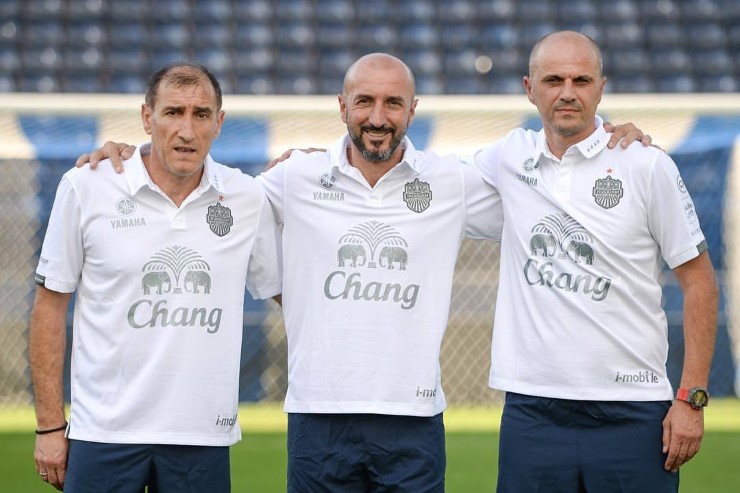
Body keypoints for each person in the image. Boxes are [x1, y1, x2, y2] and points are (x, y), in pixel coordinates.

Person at [76, 53, 647, 491]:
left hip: (413, 418)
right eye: (365, 102)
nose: (378, 117)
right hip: (318, 416)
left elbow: (548, 187)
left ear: (413, 111)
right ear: (342, 106)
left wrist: (610, 143)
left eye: (393, 103)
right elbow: (199, 189)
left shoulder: (451, 182)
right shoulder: (292, 179)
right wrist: (134, 155)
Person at [472, 31, 719, 492]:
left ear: (601, 88)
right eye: (554, 80)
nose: (568, 92)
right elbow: (420, 185)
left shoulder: (645, 165)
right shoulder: (509, 157)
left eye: (581, 80)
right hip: (533, 411)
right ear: (529, 88)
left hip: (634, 410)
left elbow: (700, 282)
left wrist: (691, 399)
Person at [29, 63, 282, 492]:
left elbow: (288, 293)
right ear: (147, 118)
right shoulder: (86, 186)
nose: (187, 130)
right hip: (103, 432)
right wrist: (49, 425)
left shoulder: (246, 197)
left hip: (200, 435)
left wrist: (312, 163)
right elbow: (49, 307)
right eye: (173, 112)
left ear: (219, 123)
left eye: (201, 114)